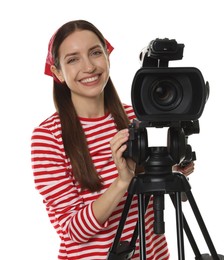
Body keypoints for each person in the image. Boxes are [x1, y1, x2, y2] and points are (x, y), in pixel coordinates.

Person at [31, 19, 194, 260]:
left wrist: (173, 172)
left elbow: (164, 197)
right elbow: (73, 231)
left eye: (95, 53)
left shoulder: (138, 117)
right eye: (73, 59)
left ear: (107, 56)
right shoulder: (48, 137)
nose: (88, 67)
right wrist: (122, 182)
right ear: (57, 73)